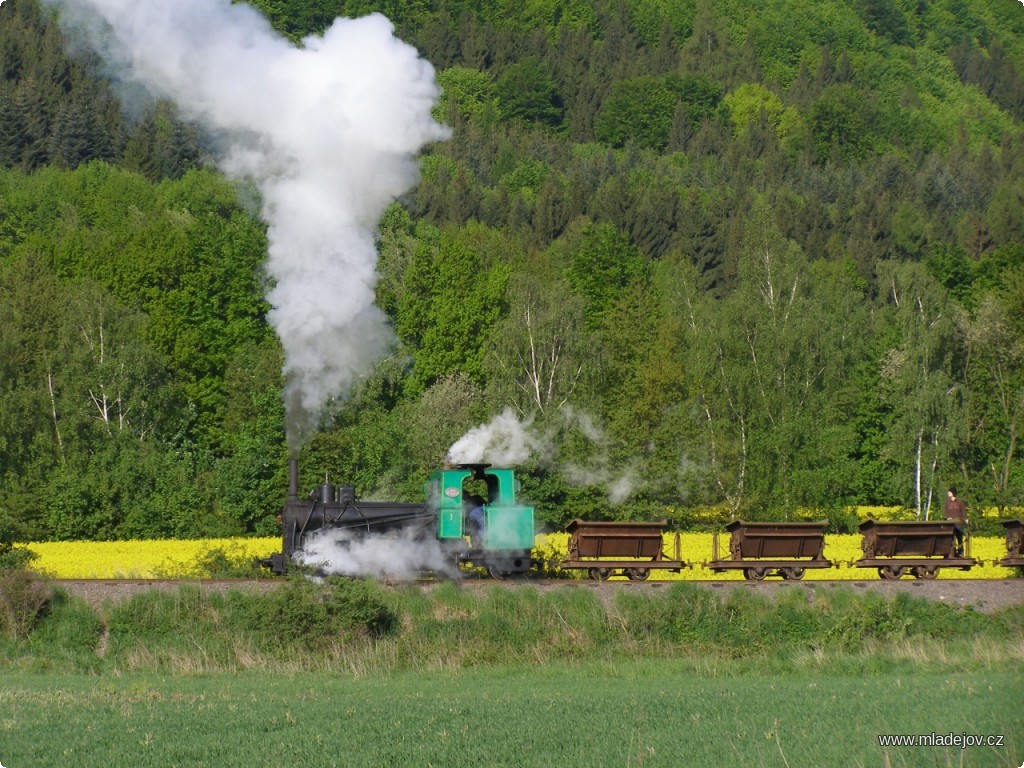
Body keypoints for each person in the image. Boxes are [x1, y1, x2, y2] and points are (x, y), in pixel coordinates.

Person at [944, 486, 968, 558]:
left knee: (959, 537)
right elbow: (945, 512)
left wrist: (965, 519)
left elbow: (963, 511)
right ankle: (949, 553)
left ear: (953, 493)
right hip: (950, 524)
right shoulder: (947, 503)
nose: (948, 493)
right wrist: (947, 518)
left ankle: (961, 552)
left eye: (949, 492)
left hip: (958, 523)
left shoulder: (959, 502)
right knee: (949, 539)